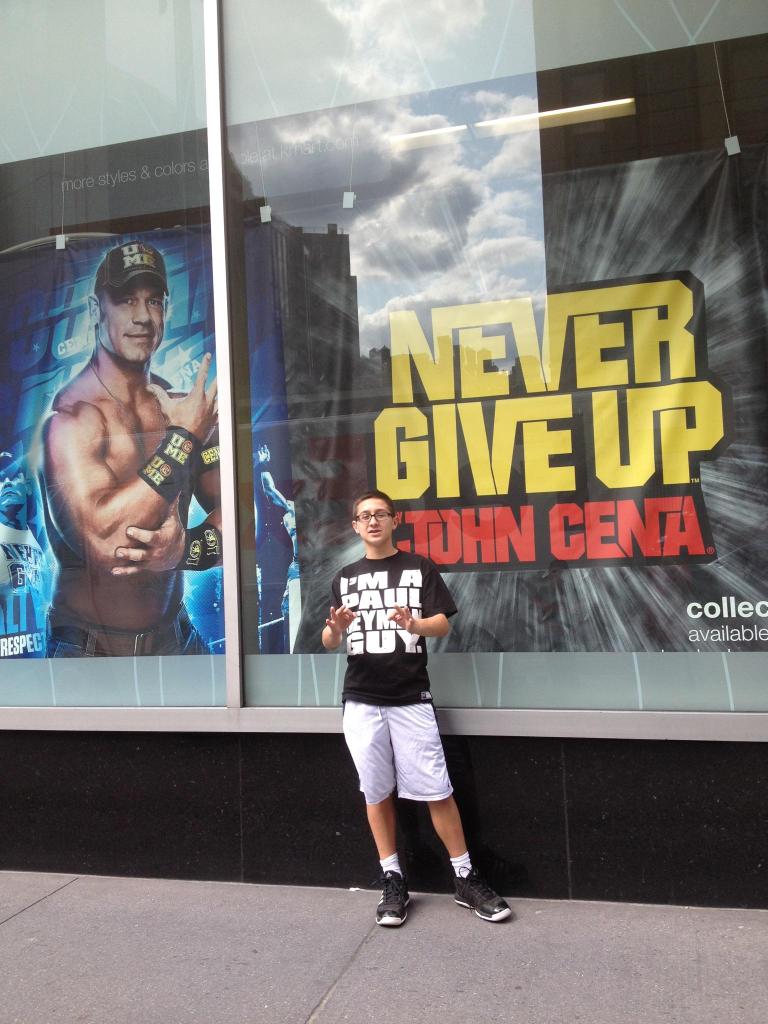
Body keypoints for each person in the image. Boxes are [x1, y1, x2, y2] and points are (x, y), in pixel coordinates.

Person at [322, 488, 511, 926]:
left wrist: (414, 623)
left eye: (380, 514)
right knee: (375, 791)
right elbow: (329, 640)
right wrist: (336, 629)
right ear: (355, 526)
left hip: (411, 698)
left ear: (395, 520)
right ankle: (393, 880)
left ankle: (464, 877)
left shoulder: (419, 567)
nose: (372, 521)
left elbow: (442, 625)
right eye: (364, 516)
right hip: (361, 701)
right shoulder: (345, 577)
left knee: (437, 790)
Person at [41, 240, 220, 657]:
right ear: (95, 310)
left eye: (153, 300)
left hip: (175, 639)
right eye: (125, 300)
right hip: (88, 650)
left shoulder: (185, 410)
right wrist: (182, 439)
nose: (142, 316)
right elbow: (107, 541)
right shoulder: (72, 419)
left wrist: (186, 550)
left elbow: (241, 518)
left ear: (166, 310)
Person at [0, 451, 46, 656]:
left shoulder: (41, 543)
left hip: (39, 655)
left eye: (13, 476)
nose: (7, 483)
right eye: (1, 479)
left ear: (27, 486)